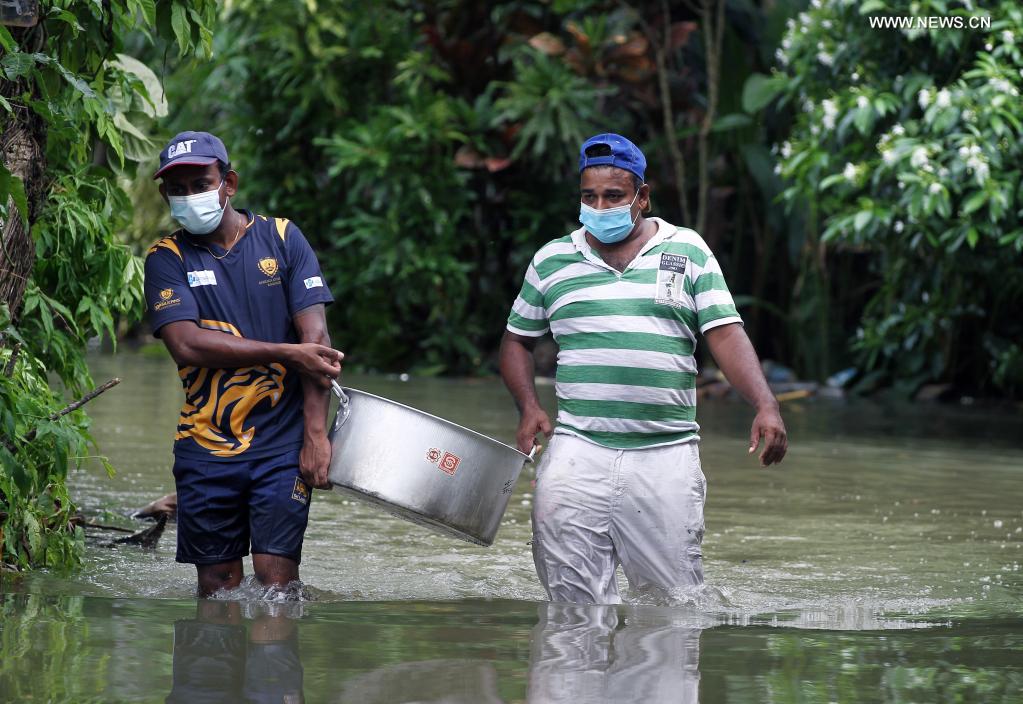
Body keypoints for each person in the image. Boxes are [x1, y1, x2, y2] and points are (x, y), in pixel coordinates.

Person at [500, 133, 787, 605]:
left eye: (613, 196)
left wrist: (765, 403)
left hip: (665, 455)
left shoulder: (688, 251)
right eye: (588, 196)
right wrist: (528, 407)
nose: (599, 206)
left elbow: (725, 334)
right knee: (572, 610)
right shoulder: (552, 260)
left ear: (642, 197)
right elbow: (516, 340)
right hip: (577, 451)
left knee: (672, 609)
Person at [143, 131, 342, 596]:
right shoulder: (165, 259)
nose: (189, 196)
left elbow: (317, 341)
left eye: (200, 183)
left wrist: (316, 437)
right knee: (218, 591)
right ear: (164, 194)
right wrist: (285, 352)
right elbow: (187, 345)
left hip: (281, 446)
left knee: (277, 586)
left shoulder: (283, 238)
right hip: (205, 447)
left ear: (228, 182)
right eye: (178, 188)